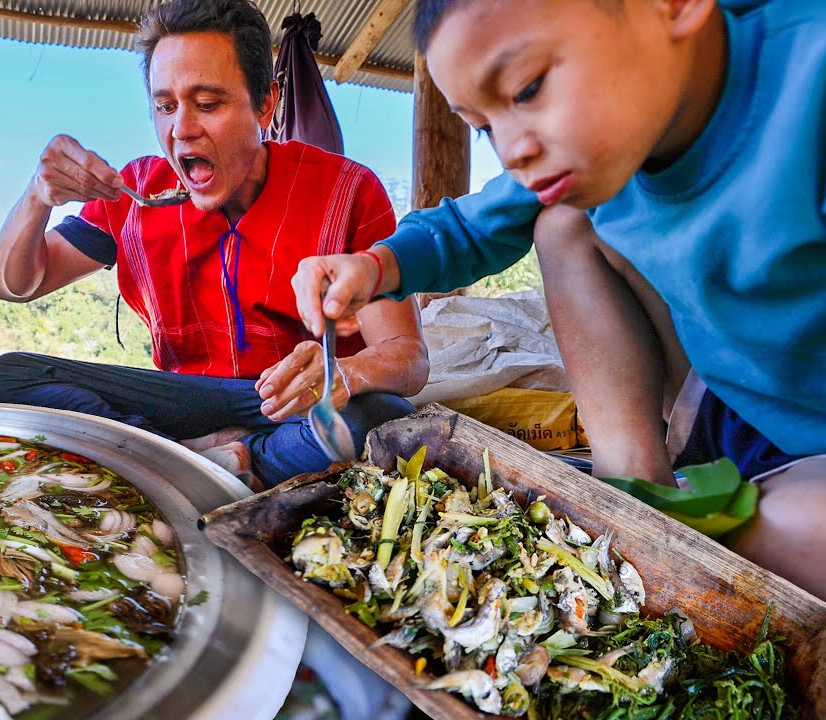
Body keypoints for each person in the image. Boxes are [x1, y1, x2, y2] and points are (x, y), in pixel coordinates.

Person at [291, 0, 826, 598]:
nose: (510, 149)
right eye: (484, 127)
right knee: (563, 223)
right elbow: (473, 226)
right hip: (722, 407)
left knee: (801, 536)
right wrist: (375, 265)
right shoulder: (583, 147)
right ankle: (632, 483)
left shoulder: (809, 79)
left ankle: (711, 532)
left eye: (528, 88)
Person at [0, 0, 429, 489]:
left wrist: (346, 373)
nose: (181, 129)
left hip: (296, 404)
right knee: (11, 378)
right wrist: (37, 196)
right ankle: (196, 458)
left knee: (382, 416)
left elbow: (407, 356)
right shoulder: (135, 193)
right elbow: (17, 284)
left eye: (208, 104)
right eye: (165, 106)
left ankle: (188, 461)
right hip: (187, 401)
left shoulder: (346, 190)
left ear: (265, 103)